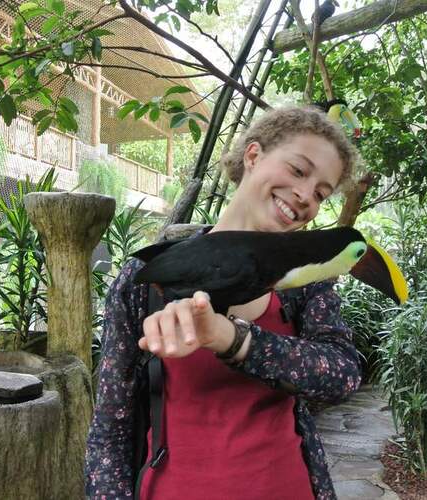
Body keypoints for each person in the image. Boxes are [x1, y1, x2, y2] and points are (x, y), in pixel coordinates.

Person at [85, 106, 362, 500]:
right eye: (298, 171)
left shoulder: (305, 284)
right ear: (253, 156)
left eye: (321, 194)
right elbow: (110, 430)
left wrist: (235, 340)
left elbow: (343, 376)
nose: (305, 196)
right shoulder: (147, 276)